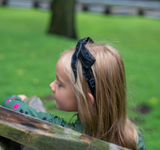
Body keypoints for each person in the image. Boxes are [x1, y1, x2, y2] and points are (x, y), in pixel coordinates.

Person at [2, 37, 146, 150]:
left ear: (87, 101)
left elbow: (10, 104)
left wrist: (20, 99)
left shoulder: (63, 131)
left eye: (59, 83)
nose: (51, 85)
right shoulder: (134, 138)